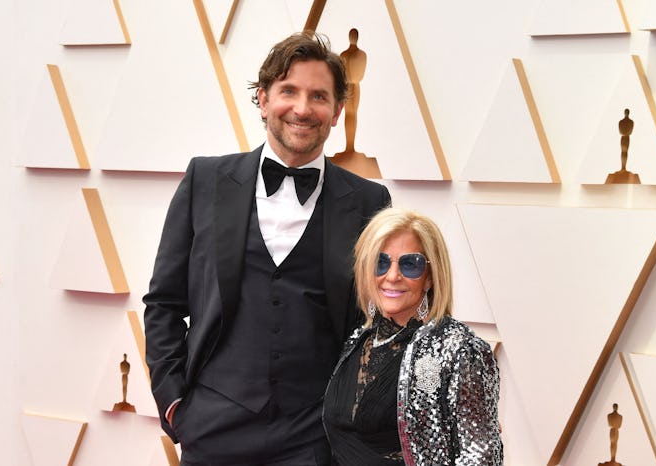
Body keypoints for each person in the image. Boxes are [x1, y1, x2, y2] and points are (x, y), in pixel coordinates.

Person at [143, 31, 391, 466]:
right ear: (262, 98)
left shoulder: (371, 203)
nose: (301, 108)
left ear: (337, 111)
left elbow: (381, 324)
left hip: (315, 437)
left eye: (318, 96)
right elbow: (163, 301)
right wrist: (174, 402)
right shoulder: (205, 180)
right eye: (288, 91)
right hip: (212, 426)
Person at [323, 207, 503, 465]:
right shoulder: (359, 339)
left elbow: (481, 456)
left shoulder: (455, 349)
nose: (392, 276)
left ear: (429, 277)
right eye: (380, 262)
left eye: (410, 265)